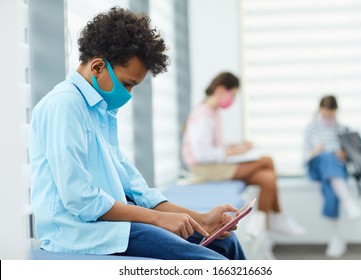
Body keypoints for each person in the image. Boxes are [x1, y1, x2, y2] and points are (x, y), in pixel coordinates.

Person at [28, 7, 246, 260]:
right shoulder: (64, 105)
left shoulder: (100, 110)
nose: (128, 94)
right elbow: (81, 199)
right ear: (98, 67)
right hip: (79, 234)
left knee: (227, 244)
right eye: (127, 83)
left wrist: (201, 218)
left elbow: (135, 189)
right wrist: (159, 219)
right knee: (212, 261)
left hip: (112, 225)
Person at [182, 72, 306, 259]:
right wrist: (233, 152)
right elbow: (202, 155)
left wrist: (235, 146)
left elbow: (213, 146)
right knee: (266, 161)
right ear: (221, 90)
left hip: (213, 165)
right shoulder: (203, 115)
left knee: (267, 178)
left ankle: (265, 236)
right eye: (232, 95)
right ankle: (278, 217)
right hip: (204, 169)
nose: (232, 100)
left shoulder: (211, 113)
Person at [303, 95, 361, 258]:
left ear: (336, 112)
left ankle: (335, 238)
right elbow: (305, 159)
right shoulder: (311, 128)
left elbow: (350, 157)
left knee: (331, 187)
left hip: (335, 170)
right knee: (327, 158)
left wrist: (343, 155)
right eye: (325, 113)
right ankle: (348, 203)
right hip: (317, 167)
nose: (328, 117)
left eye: (331, 114)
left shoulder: (342, 129)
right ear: (320, 110)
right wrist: (317, 151)